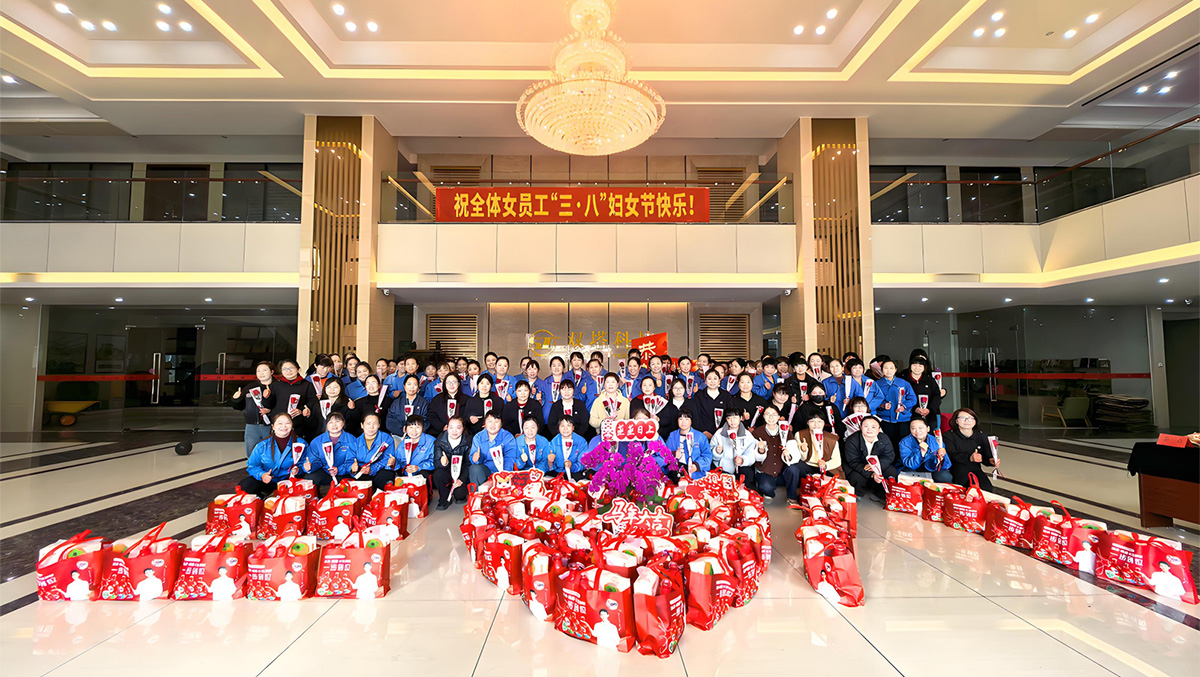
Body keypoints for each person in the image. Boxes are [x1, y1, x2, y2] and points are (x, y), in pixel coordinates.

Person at [239, 412, 306, 498]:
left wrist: (299, 469)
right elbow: (252, 466)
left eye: (287, 423)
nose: (284, 426)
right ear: (273, 426)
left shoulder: (301, 443)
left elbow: (305, 463)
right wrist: (262, 475)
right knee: (245, 485)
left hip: (290, 481)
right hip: (269, 481)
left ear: (292, 425)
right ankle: (262, 499)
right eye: (280, 423)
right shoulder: (262, 446)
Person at [301, 412, 361, 496]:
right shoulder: (317, 441)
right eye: (331, 422)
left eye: (337, 421)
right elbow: (313, 459)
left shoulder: (352, 440)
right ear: (326, 424)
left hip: (343, 473)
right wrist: (310, 466)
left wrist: (340, 469)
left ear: (343, 423)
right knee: (308, 479)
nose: (334, 425)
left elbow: (352, 461)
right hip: (324, 471)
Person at [374, 414, 435, 494]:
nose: (414, 431)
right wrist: (393, 463)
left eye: (417, 427)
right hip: (406, 474)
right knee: (385, 474)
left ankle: (424, 496)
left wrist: (418, 467)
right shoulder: (403, 443)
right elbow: (399, 463)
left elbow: (435, 461)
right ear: (405, 429)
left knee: (423, 474)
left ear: (423, 428)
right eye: (410, 427)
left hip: (422, 472)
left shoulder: (431, 441)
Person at [842, 416, 898, 502]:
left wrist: (877, 467)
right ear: (860, 427)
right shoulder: (852, 440)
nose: (869, 429)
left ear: (879, 429)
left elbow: (889, 456)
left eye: (873, 427)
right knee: (856, 477)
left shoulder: (884, 438)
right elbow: (852, 461)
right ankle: (858, 494)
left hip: (878, 465)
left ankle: (881, 494)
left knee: (891, 472)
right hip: (860, 465)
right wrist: (871, 474)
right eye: (866, 426)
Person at [943, 407, 999, 491]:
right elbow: (951, 455)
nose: (967, 421)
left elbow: (985, 457)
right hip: (957, 468)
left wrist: (991, 461)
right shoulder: (949, 436)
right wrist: (970, 458)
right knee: (967, 490)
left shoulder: (981, 436)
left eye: (970, 418)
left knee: (987, 489)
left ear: (975, 421)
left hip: (975, 469)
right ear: (956, 421)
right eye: (962, 418)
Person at [867, 359, 917, 453]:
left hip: (902, 418)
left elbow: (912, 399)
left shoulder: (904, 383)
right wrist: (882, 405)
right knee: (887, 443)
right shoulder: (877, 384)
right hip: (885, 418)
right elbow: (872, 401)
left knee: (903, 442)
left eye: (891, 368)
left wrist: (904, 407)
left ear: (895, 370)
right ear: (881, 370)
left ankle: (903, 460)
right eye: (886, 368)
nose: (888, 370)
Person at [752, 406, 800, 500]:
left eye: (774, 414)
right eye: (768, 414)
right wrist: (761, 450)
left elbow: (794, 453)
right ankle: (769, 491)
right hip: (765, 472)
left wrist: (788, 456)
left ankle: (792, 497)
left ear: (779, 417)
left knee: (794, 470)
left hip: (782, 473)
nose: (771, 417)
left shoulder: (785, 431)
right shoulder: (757, 433)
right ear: (763, 416)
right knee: (766, 487)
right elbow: (755, 458)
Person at [231, 360, 276, 457]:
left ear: (272, 372)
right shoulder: (251, 387)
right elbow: (239, 406)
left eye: (264, 370)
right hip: (251, 425)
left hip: (271, 426)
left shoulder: (278, 386)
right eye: (258, 371)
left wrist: (270, 411)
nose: (261, 373)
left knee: (271, 454)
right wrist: (235, 399)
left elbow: (282, 406)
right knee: (252, 454)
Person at [711, 409, 761, 487]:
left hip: (741, 467)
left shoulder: (747, 435)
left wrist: (742, 460)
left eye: (735, 417)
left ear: (740, 418)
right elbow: (711, 452)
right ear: (726, 419)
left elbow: (751, 454)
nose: (732, 421)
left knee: (748, 475)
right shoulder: (719, 434)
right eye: (729, 418)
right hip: (723, 468)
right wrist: (717, 452)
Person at [431, 416, 472, 509]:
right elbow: (436, 463)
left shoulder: (468, 440)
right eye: (451, 427)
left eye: (458, 427)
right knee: (438, 474)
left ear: (463, 428)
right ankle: (444, 498)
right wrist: (443, 463)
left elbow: (469, 464)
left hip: (461, 472)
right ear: (447, 427)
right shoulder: (440, 440)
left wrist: (461, 479)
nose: (454, 431)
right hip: (447, 471)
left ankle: (458, 493)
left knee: (459, 495)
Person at [469, 411, 518, 483]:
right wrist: (476, 459)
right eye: (490, 421)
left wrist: (504, 473)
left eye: (496, 422)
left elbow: (510, 458)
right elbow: (473, 458)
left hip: (502, 469)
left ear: (501, 424)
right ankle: (479, 490)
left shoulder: (508, 437)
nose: (493, 425)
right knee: (474, 468)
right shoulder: (478, 437)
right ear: (485, 423)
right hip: (485, 470)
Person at [899, 418, 952, 483]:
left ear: (928, 429)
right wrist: (921, 453)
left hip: (932, 468)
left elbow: (947, 465)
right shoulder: (904, 442)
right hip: (913, 468)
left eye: (921, 428)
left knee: (945, 476)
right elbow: (909, 465)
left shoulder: (936, 441)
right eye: (913, 428)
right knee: (908, 478)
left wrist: (941, 458)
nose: (917, 431)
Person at [270, 359, 317, 433]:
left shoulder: (307, 385)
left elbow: (313, 401)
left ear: (298, 369)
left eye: (291, 368)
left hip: (299, 423)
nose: (288, 371)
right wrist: (266, 397)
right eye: (285, 369)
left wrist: (302, 410)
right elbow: (270, 404)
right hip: (279, 423)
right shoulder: (275, 385)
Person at [665, 409, 712, 480]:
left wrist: (697, 466)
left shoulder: (700, 436)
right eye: (681, 419)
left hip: (696, 474)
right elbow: (664, 454)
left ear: (691, 421)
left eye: (687, 419)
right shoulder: (672, 435)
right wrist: (674, 454)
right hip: (676, 473)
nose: (683, 422)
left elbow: (707, 455)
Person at [688, 369, 733, 439]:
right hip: (703, 434)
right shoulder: (699, 395)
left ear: (719, 381)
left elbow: (730, 414)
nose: (712, 381)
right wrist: (703, 431)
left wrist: (723, 432)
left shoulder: (726, 396)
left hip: (723, 434)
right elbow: (696, 415)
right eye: (709, 379)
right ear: (705, 381)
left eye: (715, 379)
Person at [352, 412, 395, 487]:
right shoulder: (356, 441)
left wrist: (372, 469)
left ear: (379, 425)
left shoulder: (386, 438)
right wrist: (353, 468)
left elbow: (387, 458)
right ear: (362, 425)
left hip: (379, 470)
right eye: (368, 424)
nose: (371, 427)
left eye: (375, 423)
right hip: (362, 471)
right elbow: (350, 460)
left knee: (387, 475)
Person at [904, 356, 943, 430]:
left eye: (920, 366)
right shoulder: (904, 380)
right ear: (910, 366)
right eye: (914, 365)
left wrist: (929, 409)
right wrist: (914, 408)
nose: (917, 368)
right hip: (909, 415)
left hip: (929, 415)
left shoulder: (930, 380)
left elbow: (936, 396)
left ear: (924, 368)